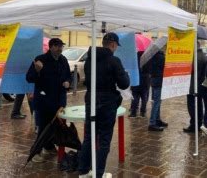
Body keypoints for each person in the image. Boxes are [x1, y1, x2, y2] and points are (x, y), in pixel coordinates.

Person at [78, 33, 130, 178]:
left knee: (89, 136)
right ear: (113, 45)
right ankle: (98, 173)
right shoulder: (114, 60)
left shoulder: (89, 59)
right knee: (104, 138)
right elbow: (124, 84)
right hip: (107, 101)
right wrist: (125, 74)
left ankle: (83, 171)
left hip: (91, 98)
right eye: (116, 46)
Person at [26, 38, 71, 163]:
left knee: (54, 126)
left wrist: (68, 82)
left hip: (59, 101)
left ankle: (49, 147)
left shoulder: (63, 60)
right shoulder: (40, 59)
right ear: (50, 47)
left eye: (61, 46)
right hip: (44, 101)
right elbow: (29, 78)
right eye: (57, 46)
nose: (60, 49)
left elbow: (68, 75)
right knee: (43, 128)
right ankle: (35, 152)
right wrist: (37, 70)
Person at [183, 42, 207, 133]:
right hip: (200, 86)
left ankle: (193, 125)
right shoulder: (203, 55)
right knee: (199, 106)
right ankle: (199, 124)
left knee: (192, 106)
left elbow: (190, 69)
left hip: (193, 86)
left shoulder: (195, 57)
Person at [148, 46, 168, 131]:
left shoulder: (152, 56)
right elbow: (165, 68)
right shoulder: (161, 57)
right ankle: (152, 123)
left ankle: (157, 119)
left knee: (157, 101)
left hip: (153, 80)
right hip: (159, 81)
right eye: (165, 46)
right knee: (157, 102)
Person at [129, 51, 150, 118]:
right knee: (144, 97)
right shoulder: (147, 59)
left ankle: (133, 113)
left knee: (135, 96)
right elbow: (149, 71)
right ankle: (142, 113)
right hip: (145, 81)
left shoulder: (134, 60)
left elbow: (131, 70)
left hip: (135, 80)